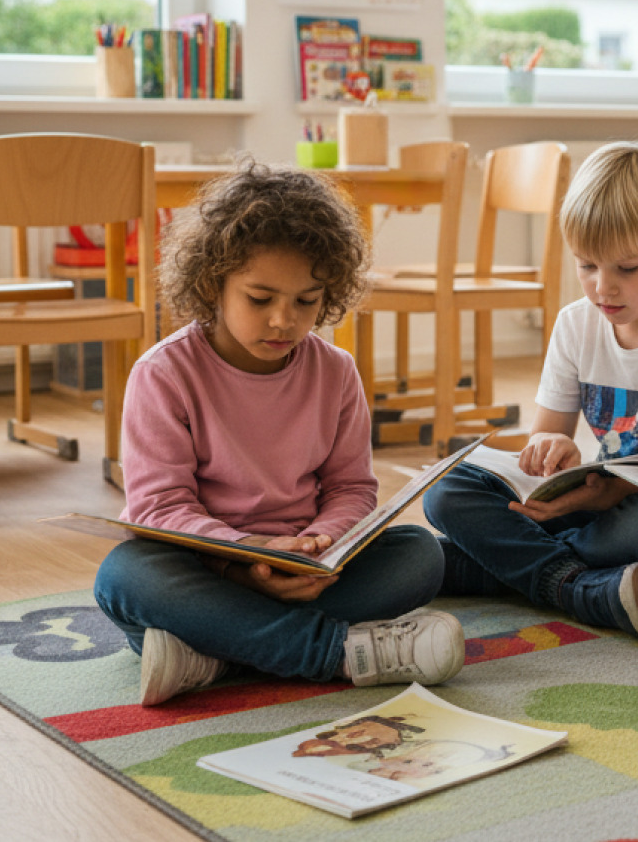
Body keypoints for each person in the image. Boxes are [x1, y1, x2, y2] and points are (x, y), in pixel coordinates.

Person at [93, 163, 463, 707]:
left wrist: (320, 544)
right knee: (125, 577)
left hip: (311, 566)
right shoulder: (164, 373)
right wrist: (249, 554)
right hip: (210, 568)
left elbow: (351, 488)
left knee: (419, 554)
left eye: (307, 301)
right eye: (260, 299)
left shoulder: (334, 372)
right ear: (210, 282)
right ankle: (334, 653)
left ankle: (212, 652)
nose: (283, 321)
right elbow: (159, 507)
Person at [423, 142, 638, 636]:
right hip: (597, 504)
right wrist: (550, 449)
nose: (603, 287)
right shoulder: (576, 324)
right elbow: (545, 441)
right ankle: (579, 585)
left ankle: (493, 566)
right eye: (587, 265)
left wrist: (607, 497)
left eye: (627, 269)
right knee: (445, 492)